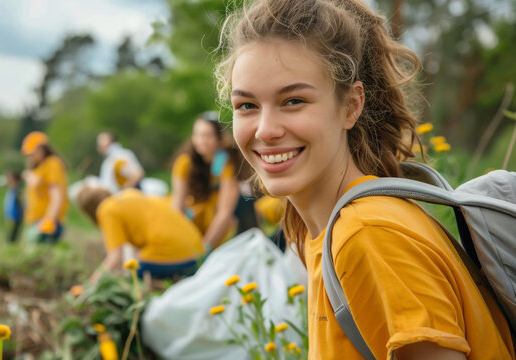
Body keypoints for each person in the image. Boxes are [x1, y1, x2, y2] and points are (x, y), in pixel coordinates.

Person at [217, 0, 514, 359]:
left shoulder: (367, 234)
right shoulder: (327, 227)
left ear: (351, 106)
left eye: (293, 100)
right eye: (247, 106)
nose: (265, 130)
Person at [76, 186, 203, 284]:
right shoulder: (130, 195)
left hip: (175, 253)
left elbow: (115, 258)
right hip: (197, 250)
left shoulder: (106, 210)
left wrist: (91, 284)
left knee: (131, 281)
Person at [171, 112, 240, 251]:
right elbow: (177, 206)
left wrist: (204, 248)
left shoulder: (225, 163)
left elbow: (225, 212)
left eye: (208, 135)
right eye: (197, 135)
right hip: (191, 219)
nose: (201, 140)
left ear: (219, 138)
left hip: (218, 224)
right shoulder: (185, 163)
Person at [21, 131, 69, 243]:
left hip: (47, 222)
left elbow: (57, 196)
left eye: (33, 154)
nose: (31, 157)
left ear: (42, 149)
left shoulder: (53, 164)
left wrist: (49, 221)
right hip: (37, 221)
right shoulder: (40, 167)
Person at [3, 170, 24, 243]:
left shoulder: (17, 191)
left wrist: (20, 215)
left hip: (16, 217)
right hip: (10, 217)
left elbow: (21, 204)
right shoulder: (11, 190)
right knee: (9, 236)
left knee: (13, 237)